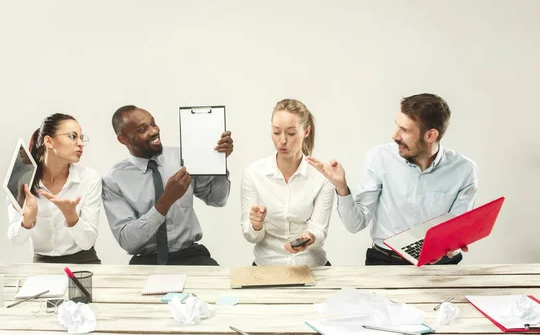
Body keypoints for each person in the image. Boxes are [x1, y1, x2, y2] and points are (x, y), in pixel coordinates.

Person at [307, 93, 478, 265]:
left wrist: (450, 247)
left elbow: (457, 228)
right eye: (397, 126)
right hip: (386, 261)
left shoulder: (464, 170)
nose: (395, 135)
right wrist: (341, 188)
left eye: (405, 130)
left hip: (441, 265)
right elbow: (355, 224)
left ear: (430, 135)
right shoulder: (379, 158)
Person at [102, 105, 234, 265]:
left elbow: (217, 199)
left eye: (153, 123)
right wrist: (166, 201)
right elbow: (127, 240)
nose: (154, 131)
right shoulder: (113, 180)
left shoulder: (183, 158)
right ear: (124, 139)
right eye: (142, 129)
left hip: (191, 256)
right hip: (146, 261)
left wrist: (220, 161)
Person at [241, 99, 335, 267]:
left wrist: (307, 238)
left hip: (311, 266)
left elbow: (318, 231)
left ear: (306, 132)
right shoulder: (254, 174)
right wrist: (256, 225)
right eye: (276, 132)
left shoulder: (321, 176)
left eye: (291, 133)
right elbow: (250, 235)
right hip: (267, 267)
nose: (282, 141)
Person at [7, 113, 102, 264]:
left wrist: (72, 217)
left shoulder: (89, 178)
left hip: (84, 262)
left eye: (81, 138)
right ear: (49, 141)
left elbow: (87, 243)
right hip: (42, 264)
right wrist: (28, 220)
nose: (80, 143)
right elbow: (15, 239)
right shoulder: (23, 178)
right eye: (72, 136)